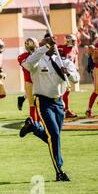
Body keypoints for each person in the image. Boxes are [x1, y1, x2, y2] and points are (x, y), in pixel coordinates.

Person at [19, 36, 80, 181]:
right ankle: (60, 171)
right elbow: (27, 64)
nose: (50, 46)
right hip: (43, 101)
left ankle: (33, 127)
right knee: (54, 136)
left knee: (53, 137)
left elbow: (75, 79)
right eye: (46, 44)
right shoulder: (37, 62)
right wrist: (44, 47)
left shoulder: (63, 61)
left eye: (51, 44)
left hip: (58, 103)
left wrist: (69, 74)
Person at [17, 37, 40, 124]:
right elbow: (29, 67)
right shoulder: (22, 56)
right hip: (29, 82)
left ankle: (40, 122)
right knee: (32, 104)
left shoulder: (41, 54)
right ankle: (34, 123)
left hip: (40, 81)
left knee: (39, 104)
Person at [58, 34, 79, 118]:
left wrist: (75, 69)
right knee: (62, 92)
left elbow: (74, 60)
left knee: (67, 92)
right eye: (72, 41)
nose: (74, 43)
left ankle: (65, 109)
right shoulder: (61, 48)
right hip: (61, 73)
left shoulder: (75, 49)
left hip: (69, 73)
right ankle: (64, 110)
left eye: (74, 41)